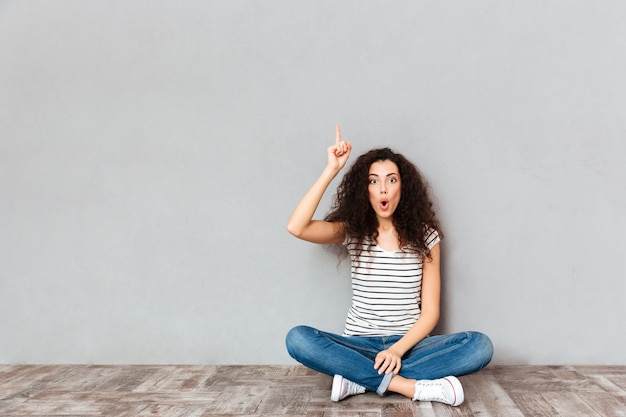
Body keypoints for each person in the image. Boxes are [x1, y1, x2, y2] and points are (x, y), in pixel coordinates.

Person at [285, 125, 493, 406]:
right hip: (358, 344)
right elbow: (297, 227)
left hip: (411, 346)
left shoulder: (426, 237)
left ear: (403, 187)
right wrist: (331, 169)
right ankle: (409, 387)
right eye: (373, 181)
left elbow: (430, 313)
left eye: (391, 180)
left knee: (479, 346)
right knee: (297, 339)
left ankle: (357, 378)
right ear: (365, 190)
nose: (383, 188)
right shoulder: (353, 231)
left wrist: (397, 350)